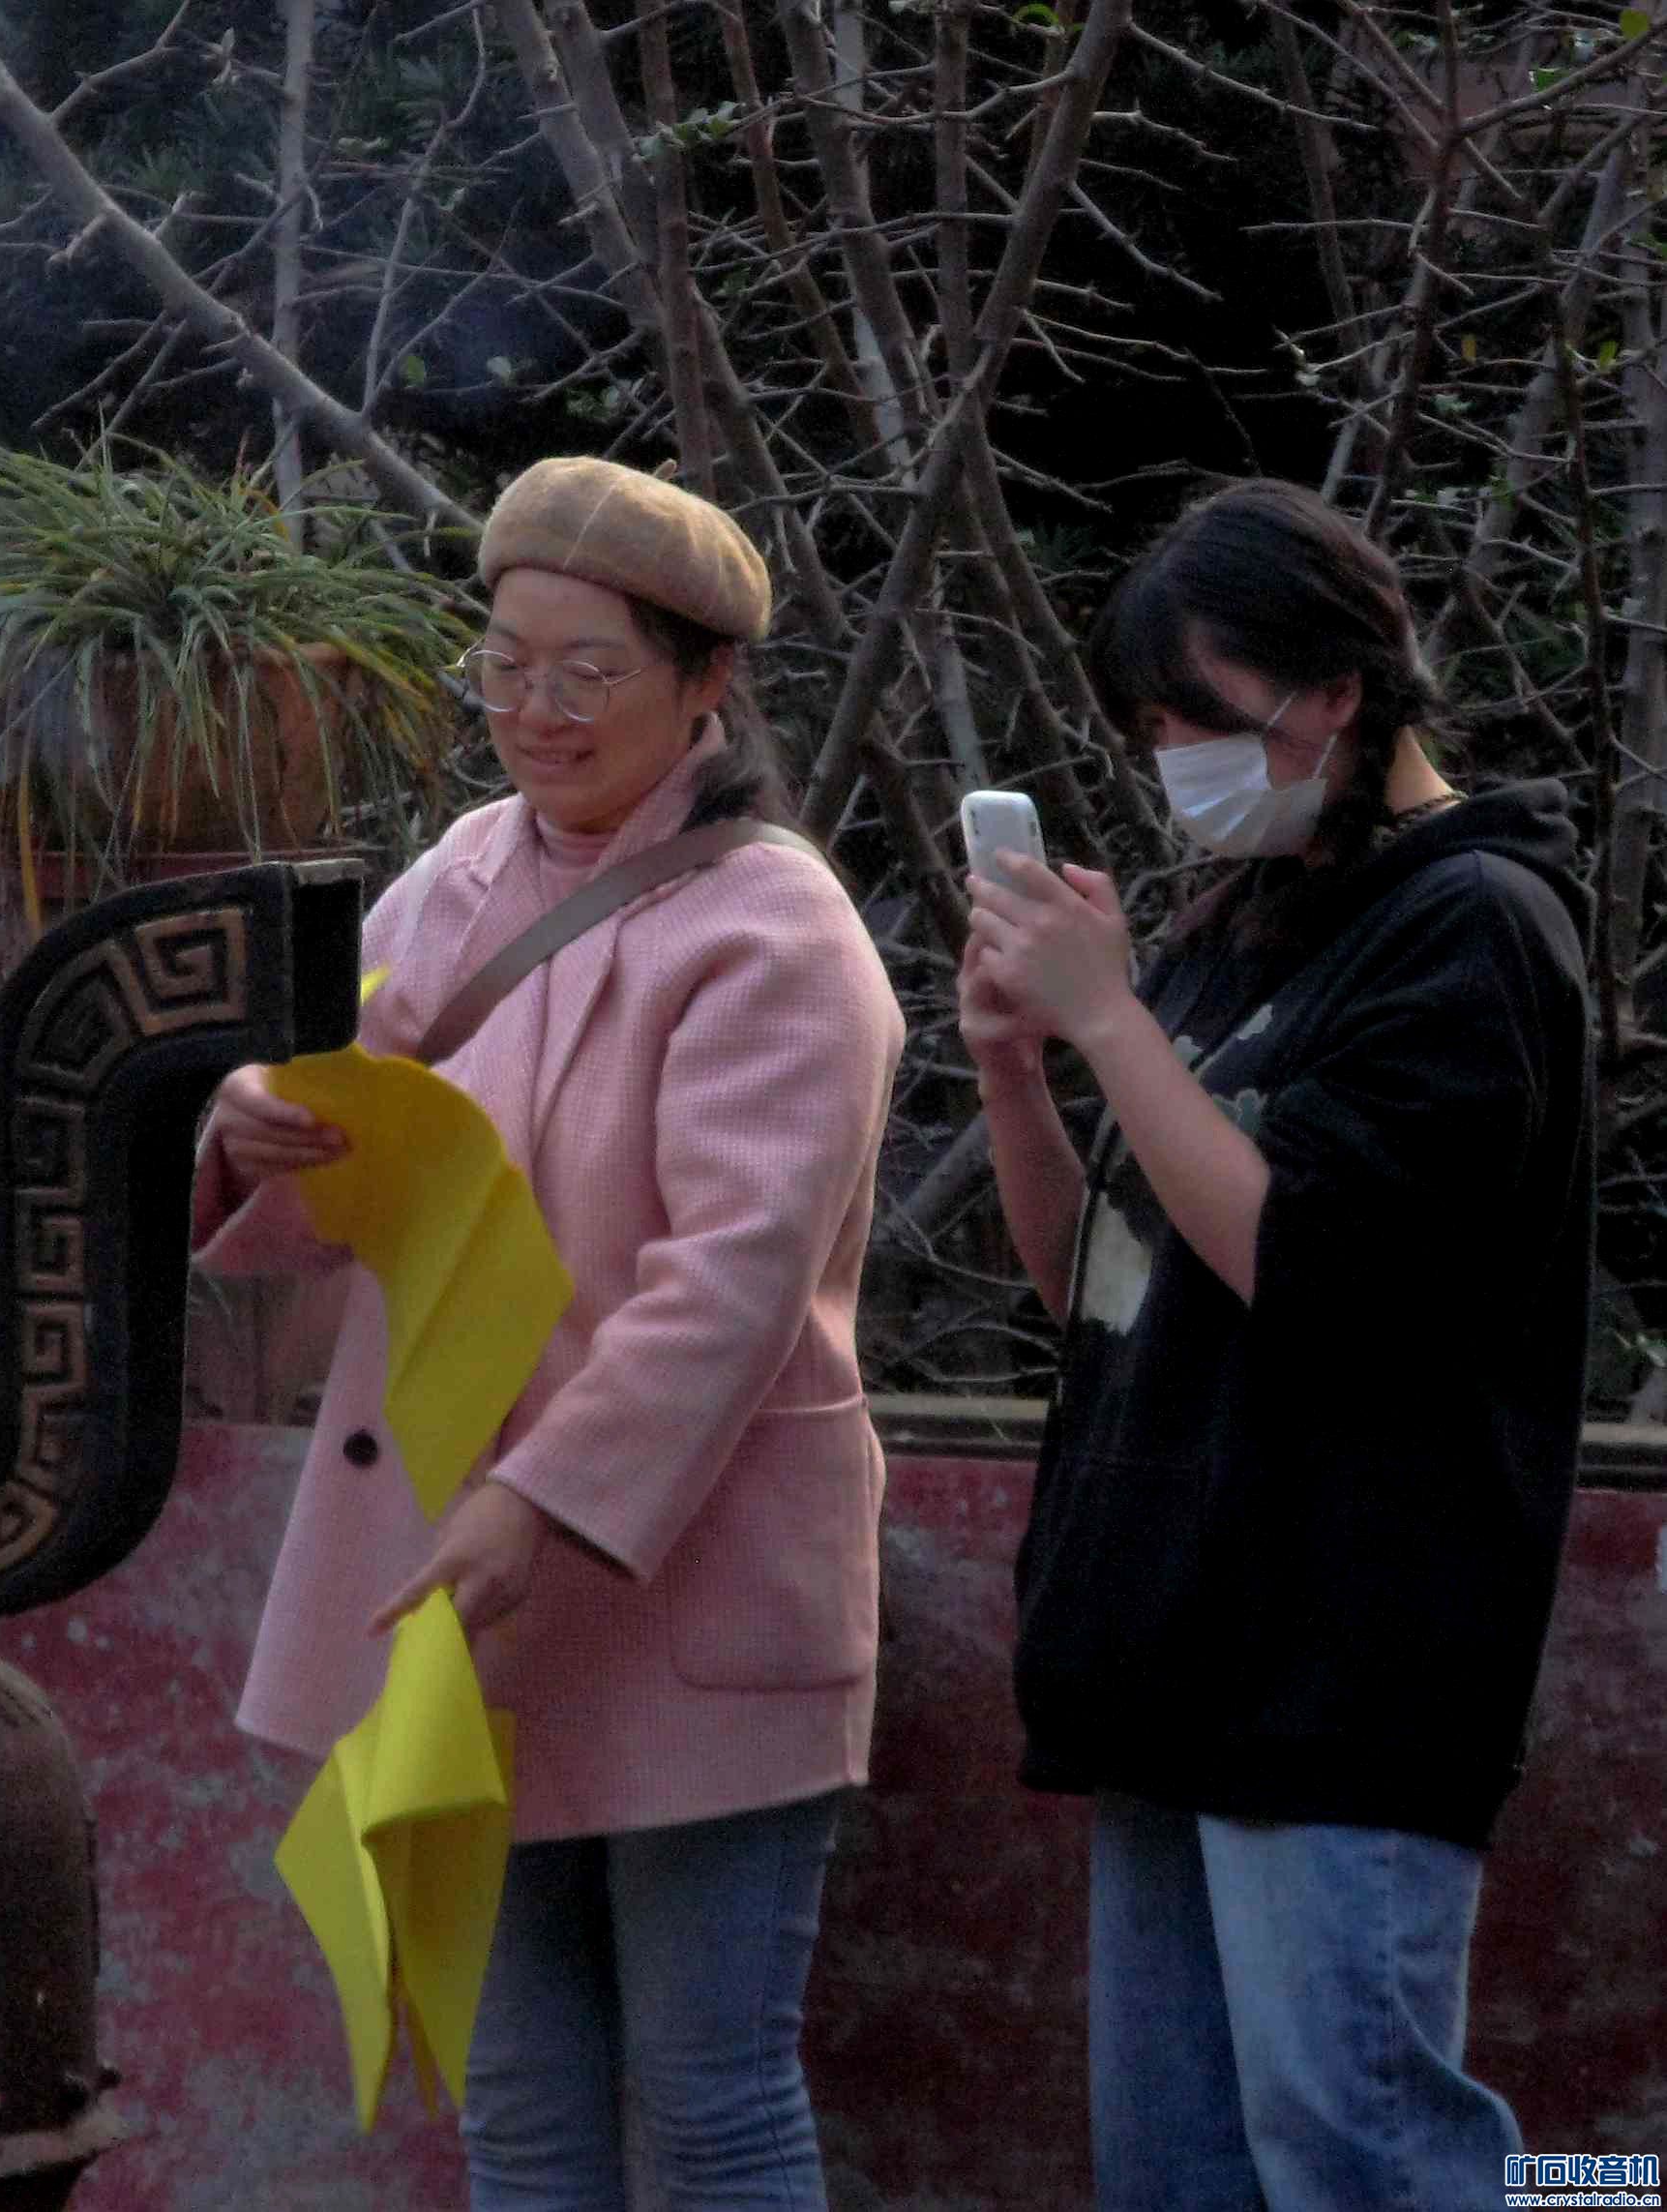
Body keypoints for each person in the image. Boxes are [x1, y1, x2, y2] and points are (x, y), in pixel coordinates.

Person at [196, 457, 904, 2208]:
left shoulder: (776, 929)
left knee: (710, 2096)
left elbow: (732, 1277)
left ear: (703, 681)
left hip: (684, 1576)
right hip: (455, 1573)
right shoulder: (455, 872)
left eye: (587, 671)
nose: (535, 711)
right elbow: (346, 1117)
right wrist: (252, 1122)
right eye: (503, 665)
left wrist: (547, 1494)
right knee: (514, 2099)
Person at [959, 478, 1589, 2211]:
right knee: (1174, 2165)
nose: (1171, 759)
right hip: (1170, 1647)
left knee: (1363, 2151)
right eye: (1149, 726)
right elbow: (1096, 1283)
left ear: (1333, 691)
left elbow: (1304, 1266)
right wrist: (1018, 1064)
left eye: (1194, 715)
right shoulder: (1237, 919)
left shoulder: (1473, 922)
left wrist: (1107, 1017)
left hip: (1343, 1664)